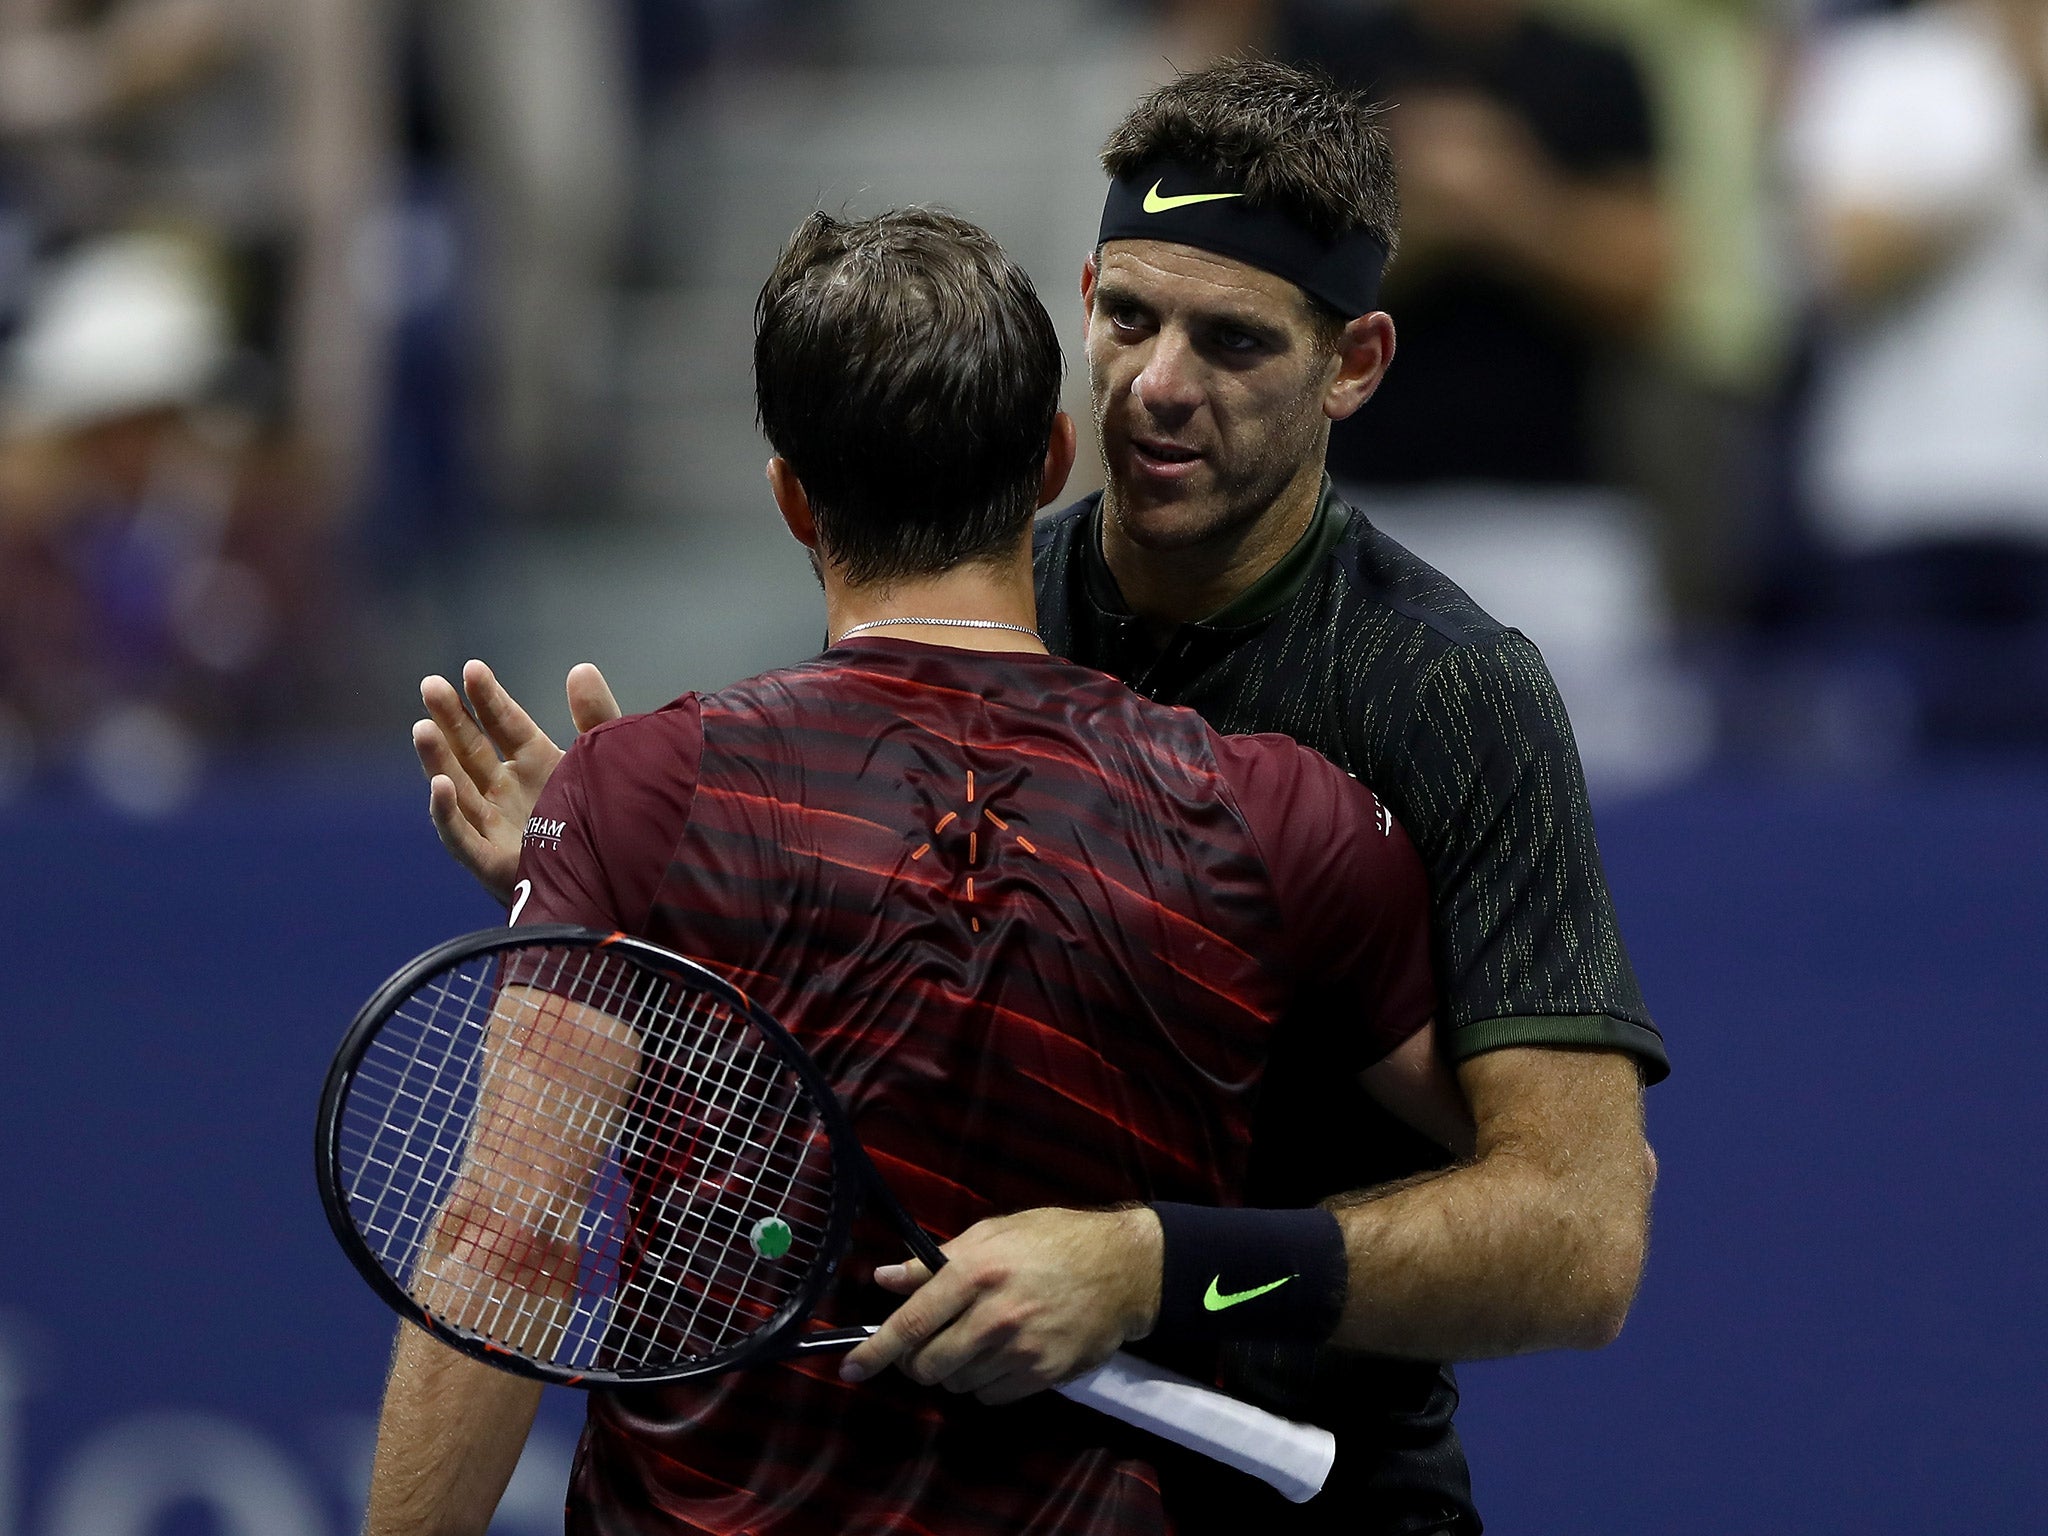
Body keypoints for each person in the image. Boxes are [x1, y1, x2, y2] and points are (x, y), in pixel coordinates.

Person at [417, 59, 1665, 1535]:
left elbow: (1582, 1240)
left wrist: (1152, 1266)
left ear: (1358, 364)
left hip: (1317, 1499)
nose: (1158, 383)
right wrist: (634, 884)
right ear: (1082, 295)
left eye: (1235, 340)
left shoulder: (1455, 697)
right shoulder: (967, 584)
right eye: (1128, 317)